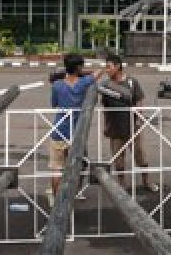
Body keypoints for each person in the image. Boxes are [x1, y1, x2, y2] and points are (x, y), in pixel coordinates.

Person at [97, 54, 157, 195]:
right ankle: (122, 184)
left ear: (118, 66)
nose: (107, 70)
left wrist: (138, 118)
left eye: (109, 67)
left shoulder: (131, 82)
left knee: (140, 156)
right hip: (115, 128)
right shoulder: (105, 85)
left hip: (132, 126)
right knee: (118, 159)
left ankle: (146, 181)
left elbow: (139, 100)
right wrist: (106, 124)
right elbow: (104, 106)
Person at [47, 53, 96, 206]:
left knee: (57, 169)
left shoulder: (57, 85)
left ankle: (58, 203)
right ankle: (73, 195)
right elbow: (97, 74)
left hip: (59, 130)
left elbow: (54, 104)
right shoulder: (84, 83)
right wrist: (86, 73)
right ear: (79, 68)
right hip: (77, 132)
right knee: (78, 165)